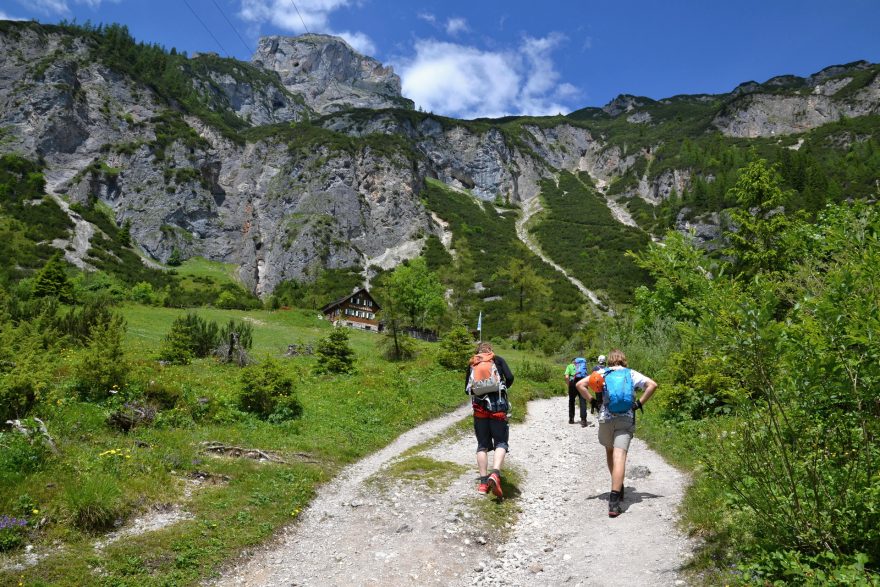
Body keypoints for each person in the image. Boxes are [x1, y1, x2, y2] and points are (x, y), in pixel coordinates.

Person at [576, 349, 657, 517]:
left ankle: (616, 486)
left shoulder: (601, 372)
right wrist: (638, 404)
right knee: (620, 456)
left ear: (610, 361)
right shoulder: (631, 374)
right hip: (625, 419)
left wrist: (592, 401)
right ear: (623, 360)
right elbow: (652, 385)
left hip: (606, 418)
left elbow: (580, 385)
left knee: (610, 451)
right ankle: (614, 502)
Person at [465, 342, 514, 498]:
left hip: (480, 409)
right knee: (501, 442)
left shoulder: (473, 362)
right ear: (490, 351)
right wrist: (502, 388)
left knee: (482, 445)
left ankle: (483, 483)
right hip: (498, 408)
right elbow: (510, 377)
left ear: (478, 352)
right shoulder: (497, 360)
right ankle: (495, 474)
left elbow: (467, 389)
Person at [566, 357, 590, 427]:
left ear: (573, 361)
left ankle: (571, 419)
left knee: (571, 401)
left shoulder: (569, 366)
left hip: (573, 383)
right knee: (582, 401)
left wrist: (569, 385)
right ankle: (583, 420)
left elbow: (567, 377)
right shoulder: (583, 367)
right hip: (582, 382)